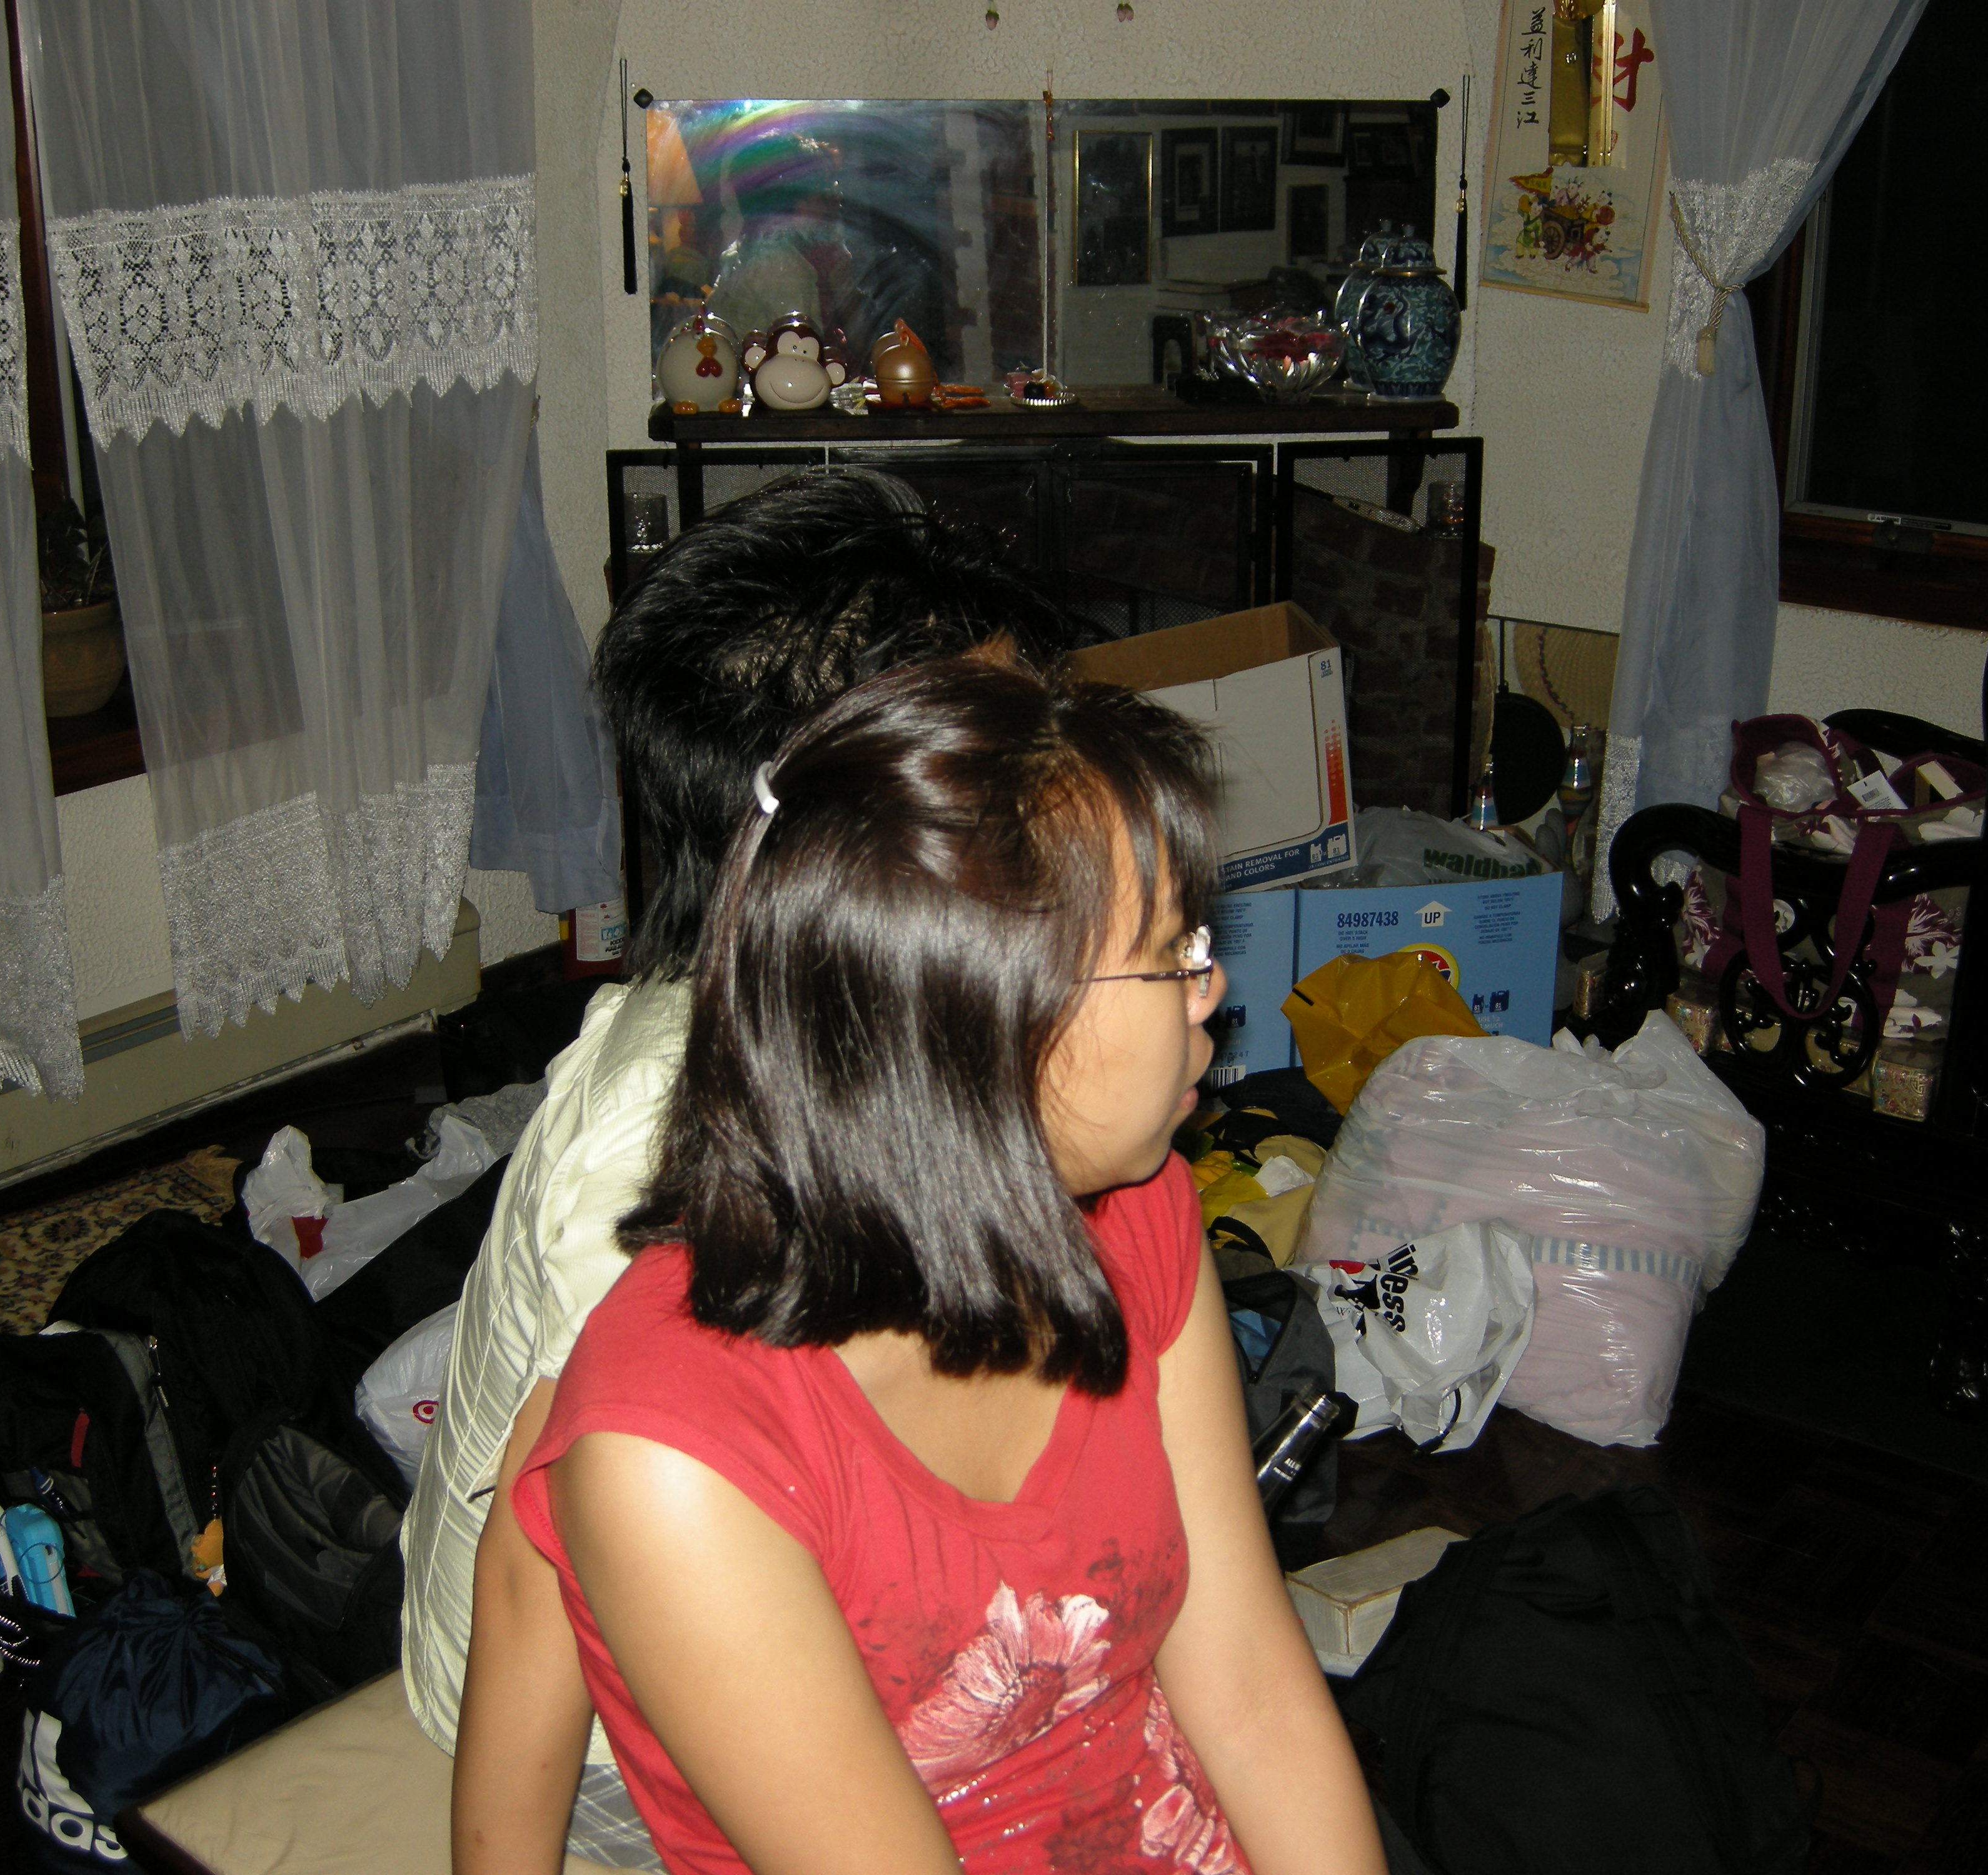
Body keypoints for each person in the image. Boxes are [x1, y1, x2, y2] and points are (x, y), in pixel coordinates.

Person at [454, 656, 1390, 1875]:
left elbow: (1250, 1689)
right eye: (1172, 952)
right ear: (989, 1020)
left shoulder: (1134, 1215)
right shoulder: (680, 1461)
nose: (1210, 989)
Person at [399, 469, 1077, 1859]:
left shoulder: (847, 998)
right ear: (850, 827)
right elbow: (548, 1574)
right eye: (1005, 759)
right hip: (607, 1720)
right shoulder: (670, 1139)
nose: (1063, 788)